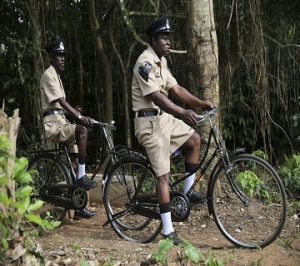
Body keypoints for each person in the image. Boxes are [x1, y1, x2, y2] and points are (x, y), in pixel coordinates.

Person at [132, 16, 214, 245]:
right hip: (148, 124)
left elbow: (175, 88)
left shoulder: (162, 62)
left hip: (163, 119)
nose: (168, 42)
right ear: (153, 40)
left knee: (194, 139)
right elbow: (157, 97)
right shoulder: (144, 63)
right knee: (164, 176)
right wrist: (182, 112)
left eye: (169, 38)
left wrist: (199, 103)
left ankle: (186, 194)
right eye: (164, 38)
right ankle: (167, 230)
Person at [40, 38, 97, 220]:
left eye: (63, 56)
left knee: (73, 164)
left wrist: (73, 112)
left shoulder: (57, 76)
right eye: (58, 56)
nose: (62, 59)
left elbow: (59, 105)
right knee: (82, 131)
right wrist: (78, 117)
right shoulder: (48, 74)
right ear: (51, 58)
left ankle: (78, 206)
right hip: (53, 124)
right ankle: (82, 175)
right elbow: (60, 102)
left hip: (61, 120)